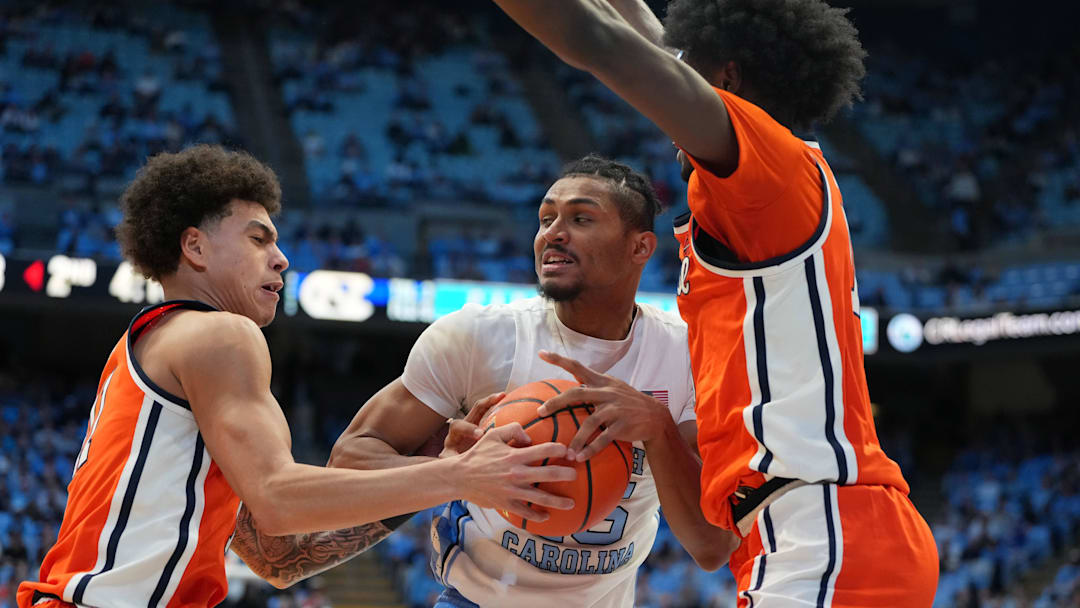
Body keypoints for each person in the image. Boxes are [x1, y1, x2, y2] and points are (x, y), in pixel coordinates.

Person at [488, 0, 939, 605]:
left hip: (826, 530)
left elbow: (601, 42)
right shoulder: (766, 187)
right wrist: (657, 429)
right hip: (804, 534)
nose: (668, 111)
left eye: (688, 76)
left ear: (727, 80)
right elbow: (658, 51)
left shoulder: (771, 172)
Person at [17, 145, 575, 608]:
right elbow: (279, 499)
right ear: (195, 247)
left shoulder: (156, 346)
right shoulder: (219, 335)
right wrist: (461, 477)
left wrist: (432, 471)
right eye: (259, 239)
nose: (281, 258)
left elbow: (277, 556)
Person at [328, 155, 736, 607]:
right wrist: (452, 473)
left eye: (580, 218)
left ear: (640, 247)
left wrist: (658, 428)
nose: (553, 233)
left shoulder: (686, 354)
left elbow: (713, 547)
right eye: (546, 219)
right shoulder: (478, 337)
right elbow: (348, 463)